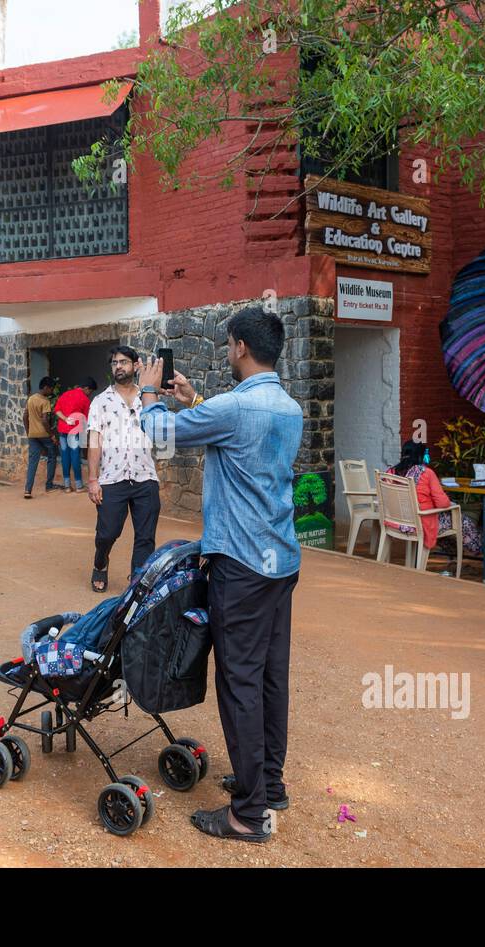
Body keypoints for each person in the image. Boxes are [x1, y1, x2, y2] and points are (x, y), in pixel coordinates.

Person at [137, 305, 302, 843]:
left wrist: (148, 393)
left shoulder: (233, 408)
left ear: (237, 347)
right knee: (271, 677)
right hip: (280, 561)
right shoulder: (287, 407)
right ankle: (268, 785)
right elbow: (236, 434)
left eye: (228, 346)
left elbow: (160, 437)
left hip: (243, 563)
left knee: (239, 682)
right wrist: (196, 403)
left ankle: (248, 815)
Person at [86, 347, 161, 592]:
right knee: (107, 533)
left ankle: (137, 583)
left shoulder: (149, 398)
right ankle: (101, 562)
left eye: (124, 362)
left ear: (136, 365)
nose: (118, 366)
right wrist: (93, 479)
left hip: (145, 476)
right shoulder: (100, 402)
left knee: (145, 536)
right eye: (115, 362)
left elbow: (162, 433)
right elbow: (94, 441)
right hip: (112, 477)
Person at [384, 440, 482, 556]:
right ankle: (479, 550)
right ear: (420, 456)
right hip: (419, 522)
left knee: (445, 523)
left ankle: (452, 554)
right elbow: (443, 504)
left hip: (396, 521)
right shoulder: (426, 473)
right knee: (461, 520)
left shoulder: (390, 472)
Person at [54, 377, 96, 492]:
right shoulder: (85, 400)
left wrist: (66, 419)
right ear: (87, 388)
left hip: (62, 431)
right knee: (75, 457)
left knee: (65, 457)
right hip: (75, 432)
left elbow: (57, 410)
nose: (90, 394)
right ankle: (78, 486)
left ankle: (67, 486)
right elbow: (86, 420)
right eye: (90, 391)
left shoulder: (65, 394)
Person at [23, 376, 62, 498]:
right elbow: (45, 421)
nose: (51, 391)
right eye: (51, 389)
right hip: (44, 434)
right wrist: (52, 435)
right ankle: (49, 485)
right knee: (52, 455)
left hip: (33, 435)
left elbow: (25, 417)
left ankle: (28, 490)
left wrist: (28, 431)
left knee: (33, 462)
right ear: (46, 387)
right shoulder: (45, 401)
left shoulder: (31, 399)